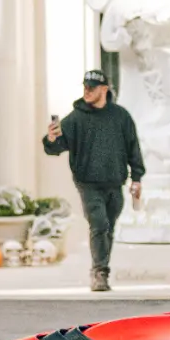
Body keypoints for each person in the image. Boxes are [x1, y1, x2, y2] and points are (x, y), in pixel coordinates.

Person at [43, 69, 145, 292]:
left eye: (92, 87)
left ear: (104, 90)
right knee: (99, 224)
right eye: (85, 87)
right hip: (88, 183)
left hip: (115, 182)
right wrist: (51, 139)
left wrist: (136, 178)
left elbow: (133, 148)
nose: (87, 91)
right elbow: (56, 148)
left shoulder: (121, 116)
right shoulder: (76, 118)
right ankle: (100, 272)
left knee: (108, 228)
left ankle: (101, 267)